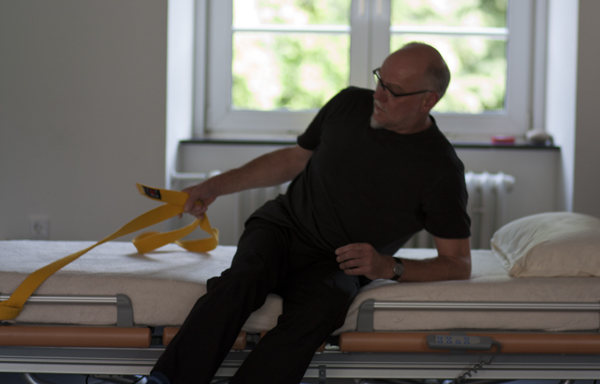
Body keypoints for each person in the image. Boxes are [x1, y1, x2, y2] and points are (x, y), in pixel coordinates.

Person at [148, 42, 472, 384]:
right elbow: (295, 158)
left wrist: (388, 267)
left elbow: (458, 263)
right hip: (282, 228)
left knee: (321, 312)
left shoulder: (441, 170)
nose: (378, 94)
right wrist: (213, 186)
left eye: (393, 90)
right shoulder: (349, 104)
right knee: (242, 280)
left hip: (338, 264)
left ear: (428, 100)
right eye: (379, 79)